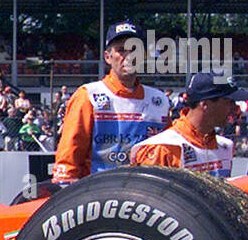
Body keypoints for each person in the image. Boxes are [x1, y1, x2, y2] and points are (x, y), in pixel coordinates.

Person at [52, 20, 170, 184]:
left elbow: (171, 158)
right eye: (121, 50)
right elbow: (69, 153)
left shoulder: (159, 100)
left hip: (145, 194)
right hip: (98, 194)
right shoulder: (89, 95)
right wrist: (64, 186)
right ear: (107, 56)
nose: (128, 56)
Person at [130, 71, 248, 178]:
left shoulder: (226, 146)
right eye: (230, 102)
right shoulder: (163, 149)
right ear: (205, 104)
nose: (236, 108)